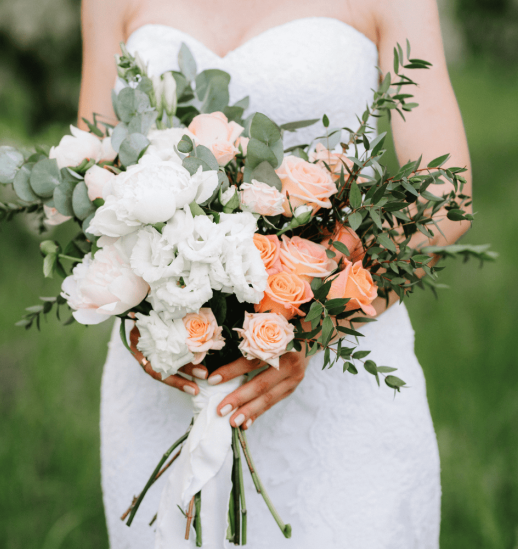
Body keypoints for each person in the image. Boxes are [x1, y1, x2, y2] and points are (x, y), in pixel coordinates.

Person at [79, 0, 472, 547]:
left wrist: (310, 323)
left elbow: (442, 193)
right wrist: (136, 311)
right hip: (169, 371)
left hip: (340, 375)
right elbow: (91, 175)